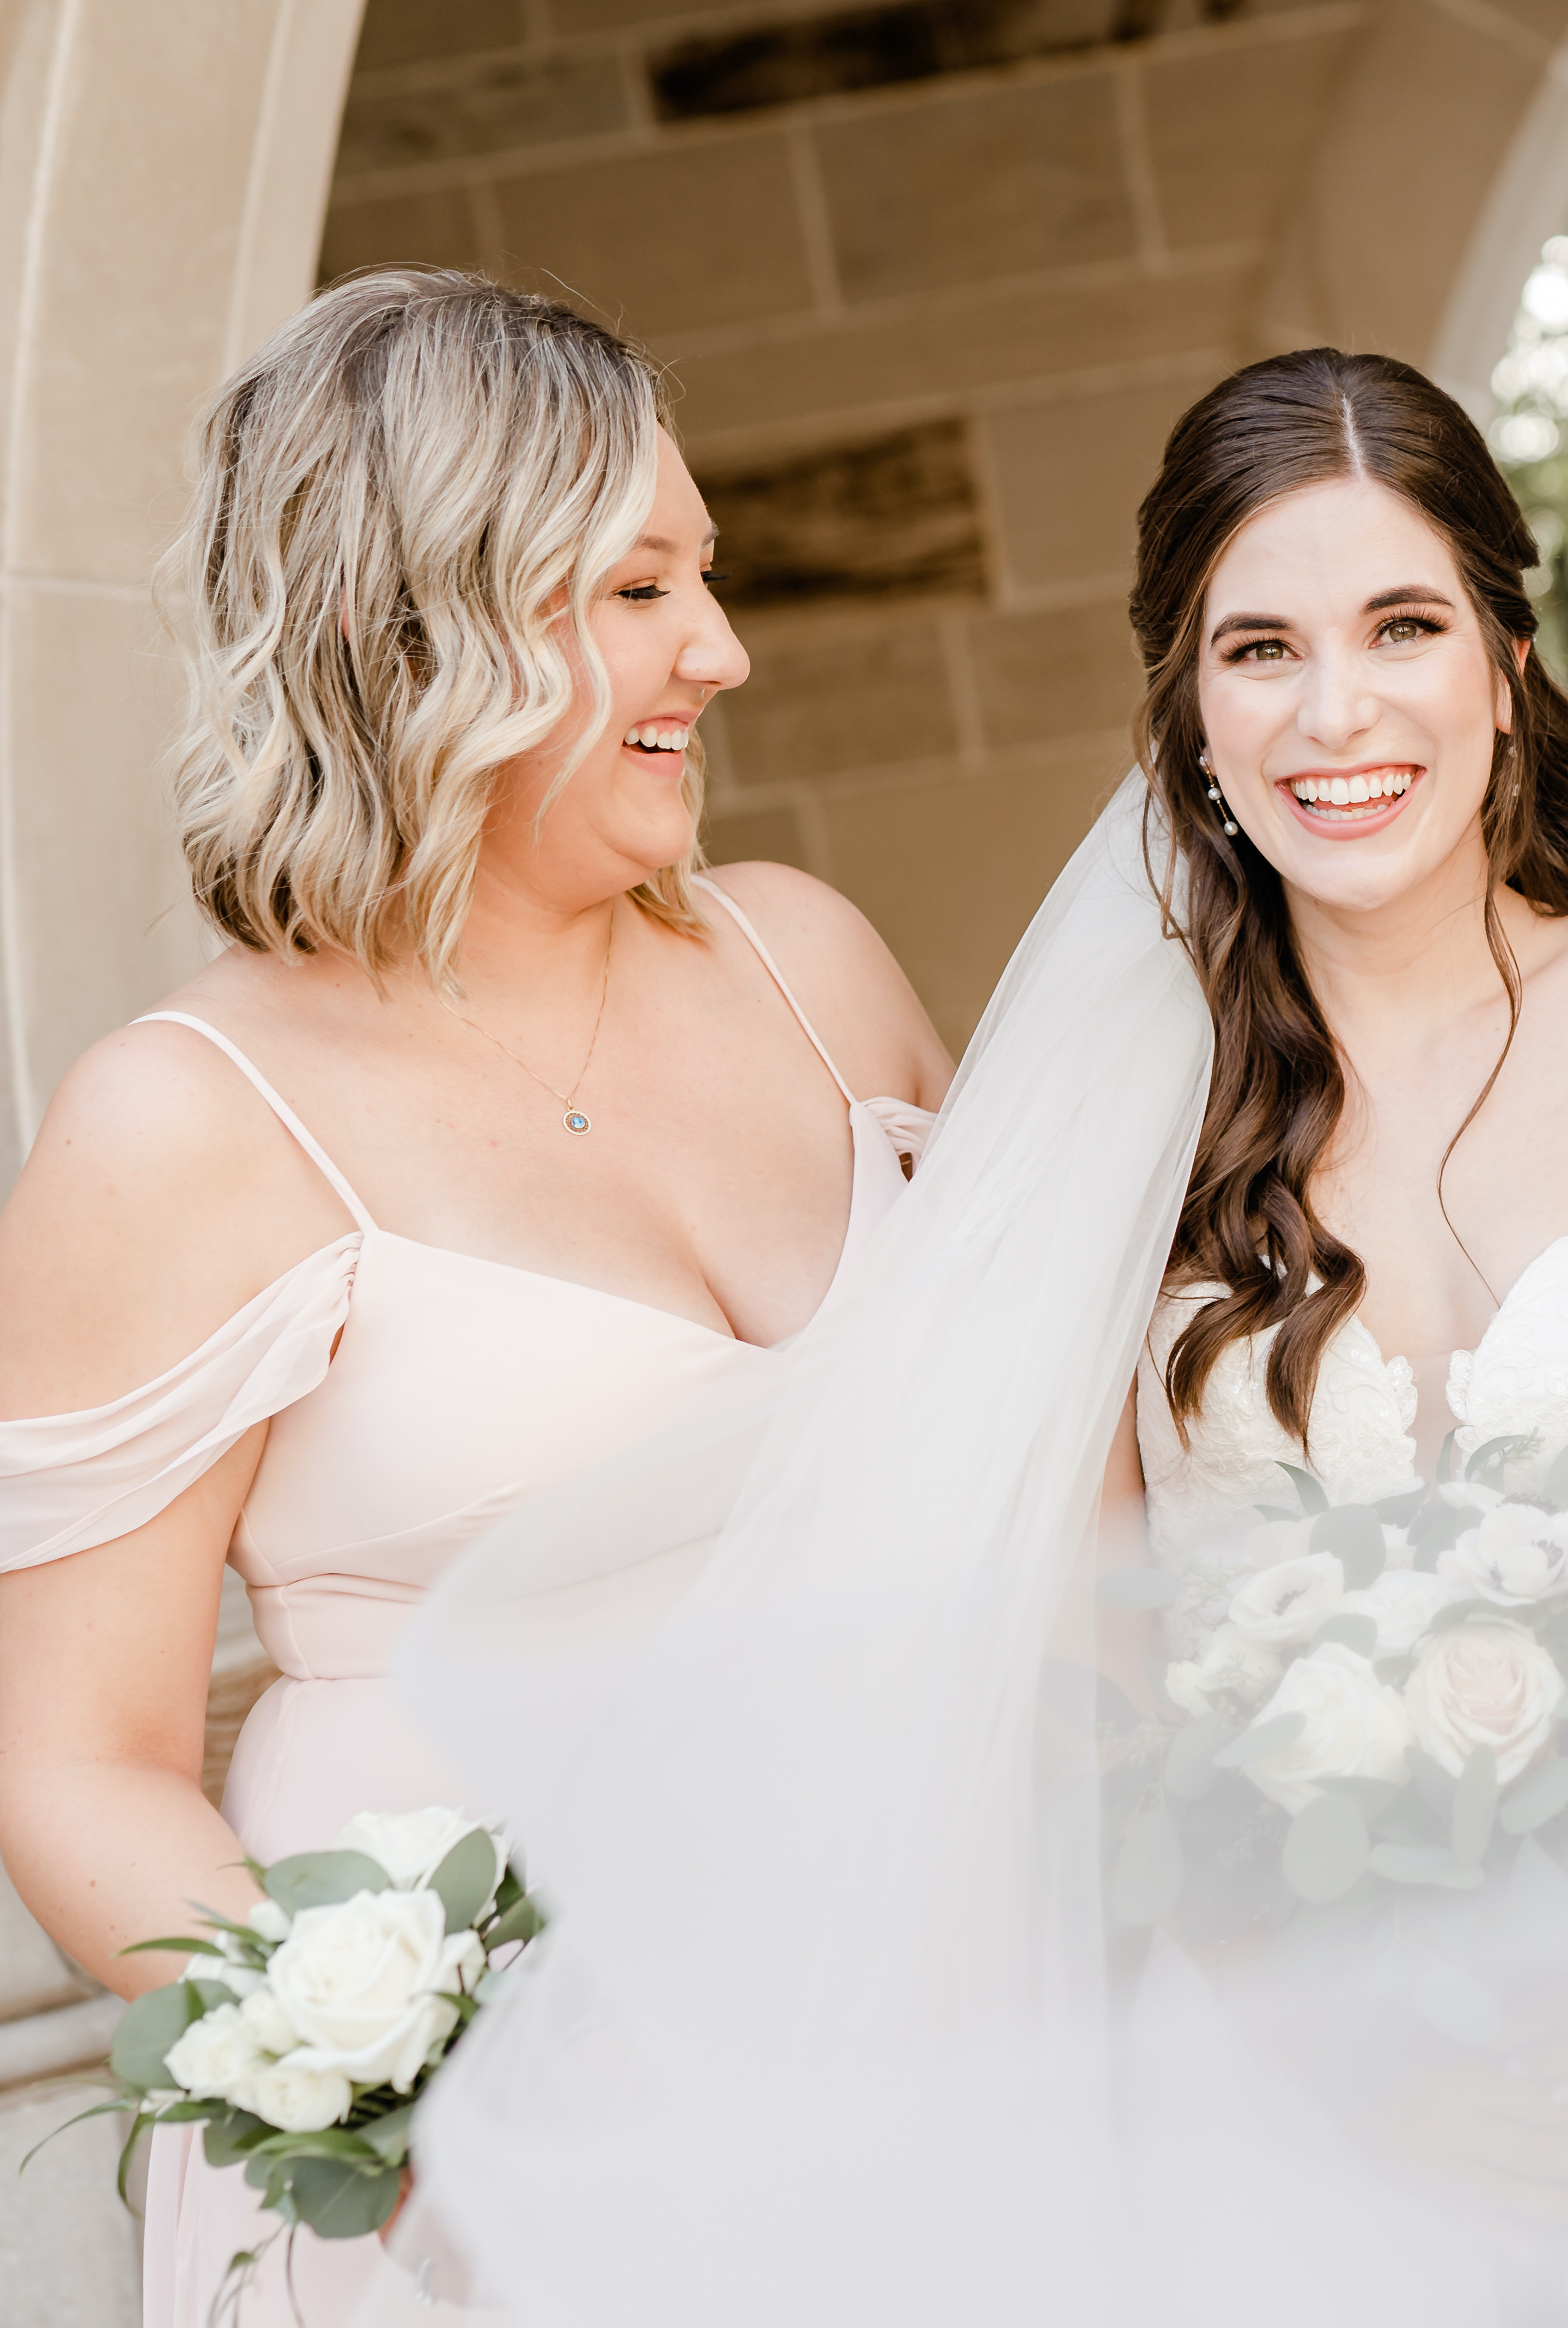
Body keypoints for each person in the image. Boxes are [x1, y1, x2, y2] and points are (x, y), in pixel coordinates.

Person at [383, 350, 1568, 2328]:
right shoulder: (1120, 1126)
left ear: (1506, 665)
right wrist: (1364, 2053)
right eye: (1257, 647)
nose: (1334, 710)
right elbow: (1100, 1683)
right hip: (1294, 2088)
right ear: (1186, 712)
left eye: (1402, 626)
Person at [0, 268, 950, 2327]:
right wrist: (425, 2135)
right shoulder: (180, 1122)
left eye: (701, 576)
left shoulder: (815, 963)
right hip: (482, 2180)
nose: (722, 648)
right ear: (403, 626)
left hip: (920, 2029)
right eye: (633, 591)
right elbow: (83, 1765)